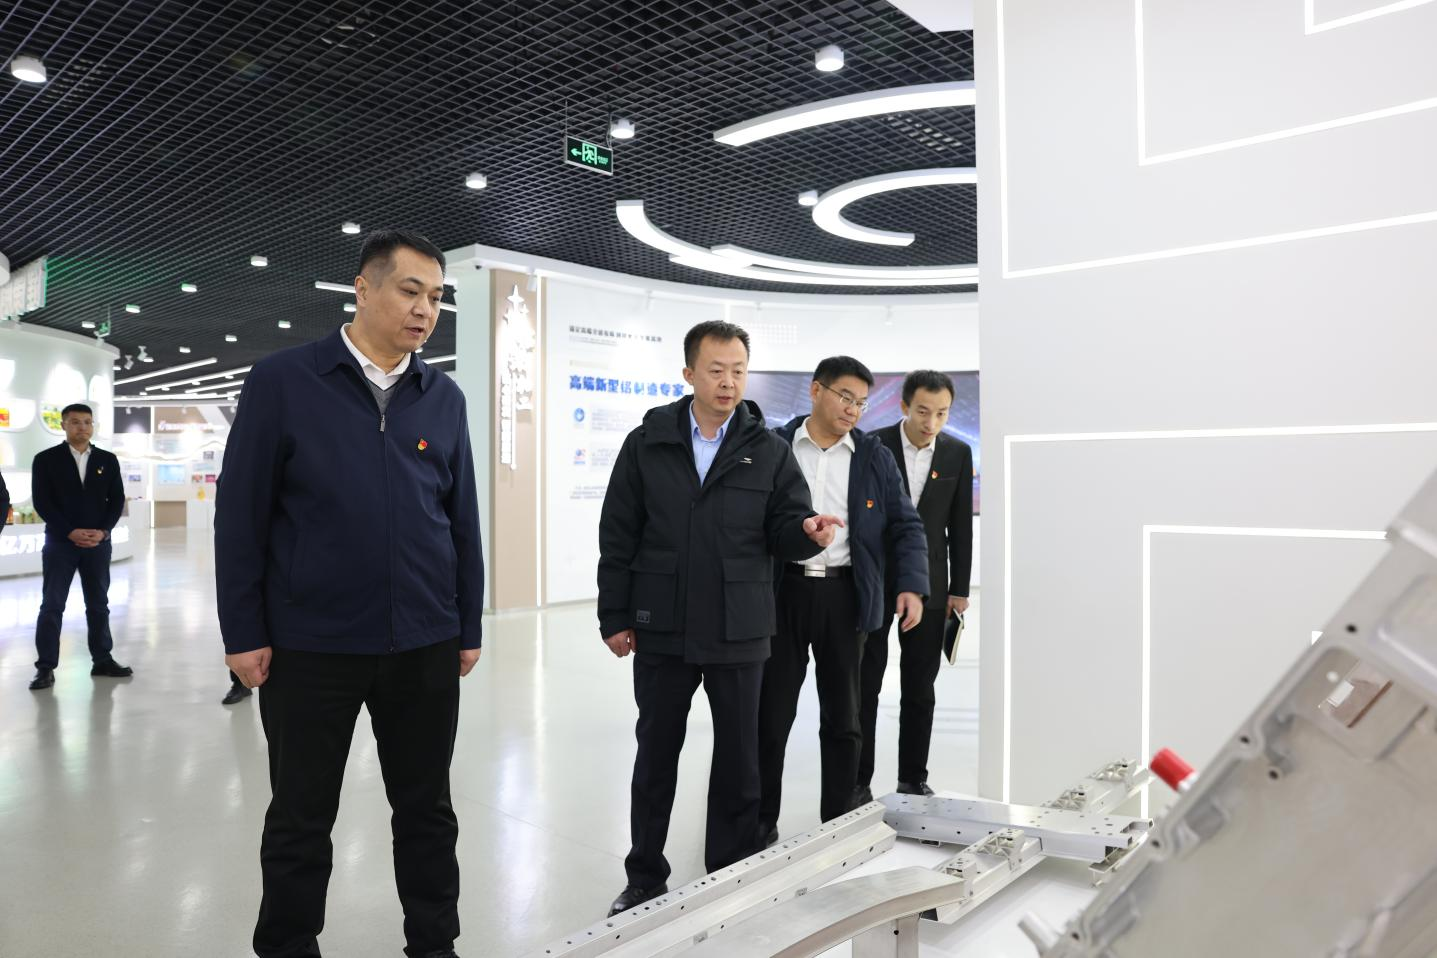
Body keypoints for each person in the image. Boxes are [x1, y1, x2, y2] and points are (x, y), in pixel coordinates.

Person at [215, 229, 484, 958]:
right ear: (362, 290)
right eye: (410, 291)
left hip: (423, 642)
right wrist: (243, 630)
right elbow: (240, 515)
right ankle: (287, 946)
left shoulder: (442, 397)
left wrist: (467, 625)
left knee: (427, 811)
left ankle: (434, 945)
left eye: (436, 297)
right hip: (311, 645)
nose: (425, 309)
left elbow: (461, 519)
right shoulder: (284, 381)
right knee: (301, 816)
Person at [597, 320, 842, 917]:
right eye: (716, 370)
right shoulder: (647, 442)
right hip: (663, 623)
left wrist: (807, 533)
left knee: (739, 757)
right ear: (689, 373)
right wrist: (615, 615)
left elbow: (787, 526)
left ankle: (728, 873)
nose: (728, 382)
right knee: (655, 754)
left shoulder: (769, 450)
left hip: (740, 625)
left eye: (738, 370)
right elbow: (618, 533)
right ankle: (644, 874)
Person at [759, 356, 929, 839]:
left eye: (861, 402)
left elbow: (906, 525)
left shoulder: (874, 456)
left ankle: (838, 825)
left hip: (846, 596)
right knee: (770, 717)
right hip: (782, 593)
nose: (853, 409)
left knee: (844, 719)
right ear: (816, 391)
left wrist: (911, 585)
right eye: (845, 397)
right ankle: (760, 825)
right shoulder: (776, 446)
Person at [856, 370, 974, 801]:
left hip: (931, 585)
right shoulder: (873, 445)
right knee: (865, 684)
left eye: (942, 413)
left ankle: (912, 778)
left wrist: (959, 590)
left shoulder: (957, 453)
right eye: (923, 411)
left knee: (920, 688)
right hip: (876, 578)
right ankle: (858, 781)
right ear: (904, 406)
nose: (931, 422)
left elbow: (960, 527)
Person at [28, 403, 131, 691]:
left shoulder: (107, 460)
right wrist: (69, 531)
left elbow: (116, 499)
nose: (82, 427)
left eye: (87, 422)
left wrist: (104, 531)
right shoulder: (46, 460)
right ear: (63, 425)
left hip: (97, 545)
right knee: (52, 605)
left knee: (98, 605)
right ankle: (45, 667)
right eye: (75, 422)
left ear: (92, 426)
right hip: (60, 544)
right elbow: (42, 502)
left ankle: (102, 659)